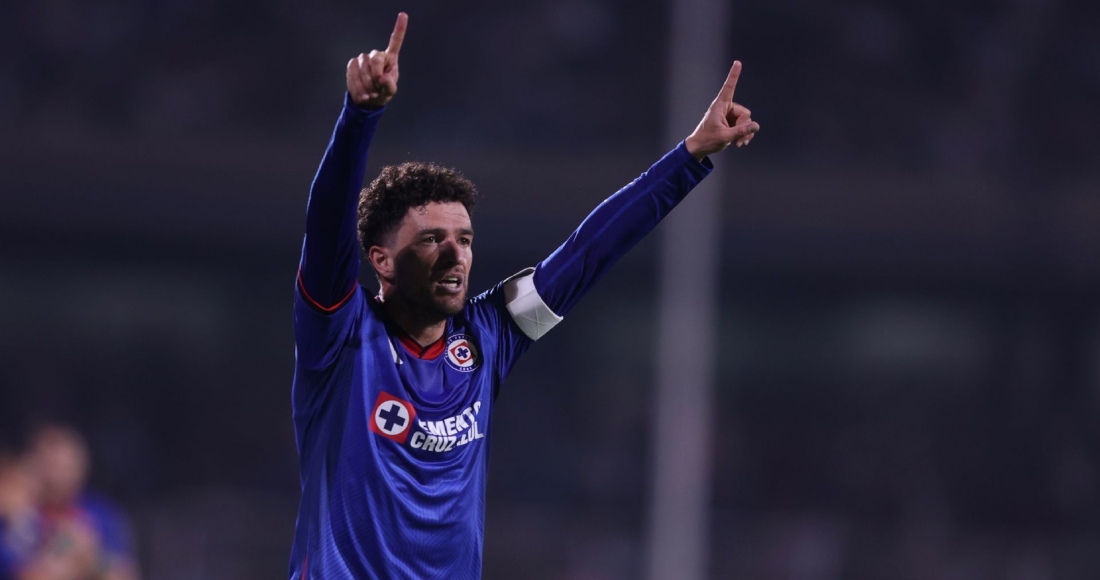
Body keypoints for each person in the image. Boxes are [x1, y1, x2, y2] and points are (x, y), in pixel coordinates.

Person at [289, 12, 759, 579]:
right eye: (432, 240)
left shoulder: (488, 336)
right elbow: (327, 225)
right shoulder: (339, 334)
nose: (456, 255)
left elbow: (587, 253)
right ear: (381, 260)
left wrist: (690, 156)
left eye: (465, 239)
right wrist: (359, 116)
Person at [21, 426, 138, 580]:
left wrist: (91, 559)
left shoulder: (101, 514)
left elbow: (124, 575)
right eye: (50, 465)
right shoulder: (19, 513)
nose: (56, 476)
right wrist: (65, 567)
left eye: (64, 466)